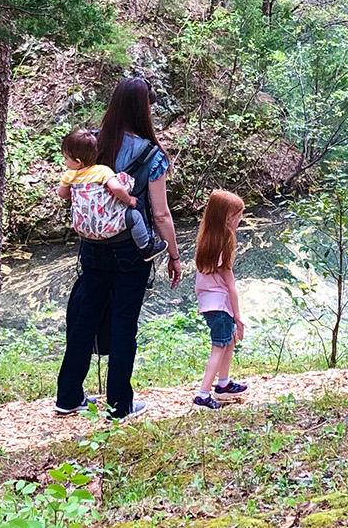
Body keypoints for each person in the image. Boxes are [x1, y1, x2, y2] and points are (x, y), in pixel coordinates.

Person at [55, 78, 186, 420]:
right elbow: (159, 212)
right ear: (144, 109)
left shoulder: (94, 143)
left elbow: (70, 189)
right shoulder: (151, 154)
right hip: (131, 250)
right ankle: (119, 405)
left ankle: (68, 396)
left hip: (92, 246)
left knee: (85, 319)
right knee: (124, 322)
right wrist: (173, 254)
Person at [56, 128, 164, 260]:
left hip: (83, 229)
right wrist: (130, 200)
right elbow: (117, 188)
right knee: (134, 217)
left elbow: (62, 194)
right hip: (107, 225)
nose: (65, 161)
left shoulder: (69, 176)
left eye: (66, 158)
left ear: (78, 161)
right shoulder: (102, 171)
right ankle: (146, 248)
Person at [192, 190, 250, 409]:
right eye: (238, 216)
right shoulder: (224, 241)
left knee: (229, 341)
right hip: (220, 306)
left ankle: (223, 383)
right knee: (219, 346)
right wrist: (238, 317)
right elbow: (231, 286)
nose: (240, 220)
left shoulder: (206, 237)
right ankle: (203, 394)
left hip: (209, 304)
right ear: (227, 218)